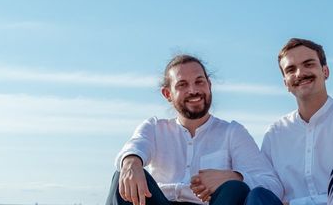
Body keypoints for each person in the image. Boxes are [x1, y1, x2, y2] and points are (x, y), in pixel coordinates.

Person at [106, 54, 282, 205]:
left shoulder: (233, 133)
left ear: (209, 85)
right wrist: (131, 162)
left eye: (199, 82)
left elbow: (272, 186)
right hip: (161, 200)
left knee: (235, 188)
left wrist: (234, 176)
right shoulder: (154, 128)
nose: (193, 90)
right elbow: (137, 145)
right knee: (121, 176)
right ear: (167, 94)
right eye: (182, 85)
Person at [246, 38, 333, 205]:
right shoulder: (275, 133)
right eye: (290, 69)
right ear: (286, 83)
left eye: (308, 64)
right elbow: (271, 191)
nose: (300, 73)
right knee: (258, 194)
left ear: (325, 71)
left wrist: (296, 203)